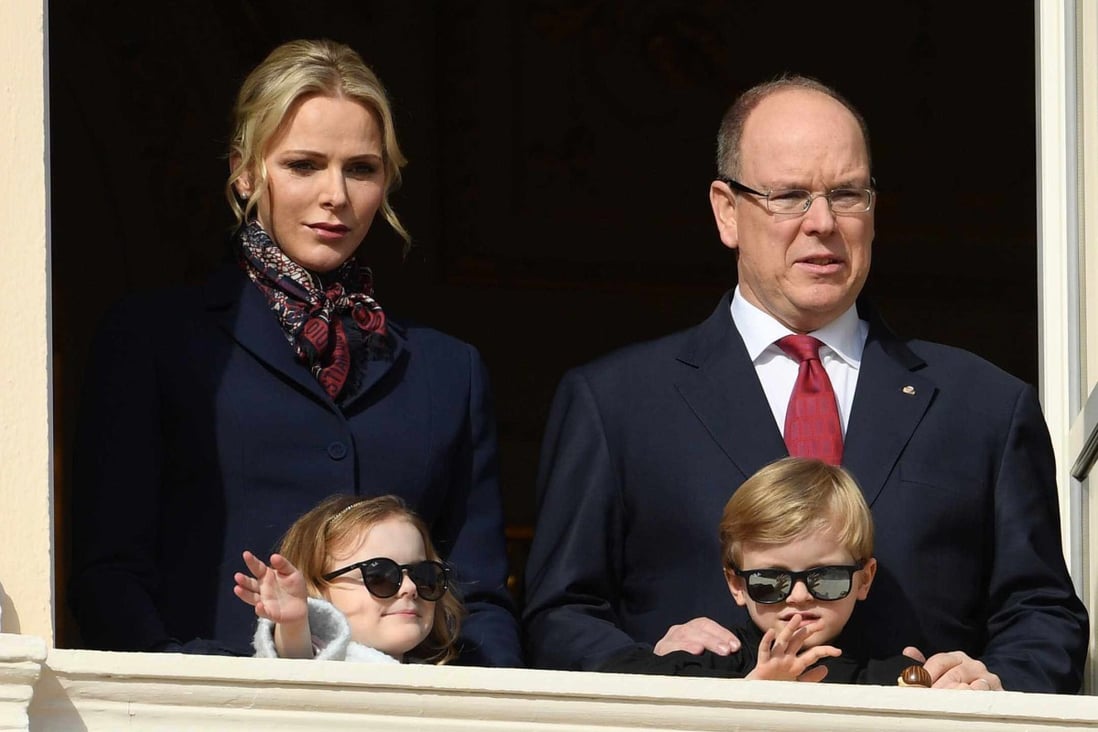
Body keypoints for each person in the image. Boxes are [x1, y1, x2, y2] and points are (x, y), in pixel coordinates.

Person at [523, 74, 1089, 692]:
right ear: (726, 211)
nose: (822, 222)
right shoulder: (617, 403)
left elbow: (1042, 615)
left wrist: (992, 691)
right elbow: (560, 616)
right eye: (790, 195)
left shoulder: (983, 405)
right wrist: (653, 671)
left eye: (847, 194)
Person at [68, 38, 521, 666]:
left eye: (361, 169)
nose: (336, 194)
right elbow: (110, 571)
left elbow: (480, 596)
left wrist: (470, 700)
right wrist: (185, 688)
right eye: (304, 165)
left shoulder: (448, 371)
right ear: (245, 172)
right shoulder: (153, 338)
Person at [601, 457, 925, 685]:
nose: (799, 596)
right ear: (736, 584)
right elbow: (612, 679)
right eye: (770, 581)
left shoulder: (893, 677)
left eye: (826, 578)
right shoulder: (706, 659)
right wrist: (753, 695)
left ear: (864, 579)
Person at [234, 494, 463, 664]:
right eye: (379, 575)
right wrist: (293, 625)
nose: (410, 587)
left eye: (423, 575)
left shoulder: (440, 681)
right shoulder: (329, 661)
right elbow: (297, 674)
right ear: (317, 588)